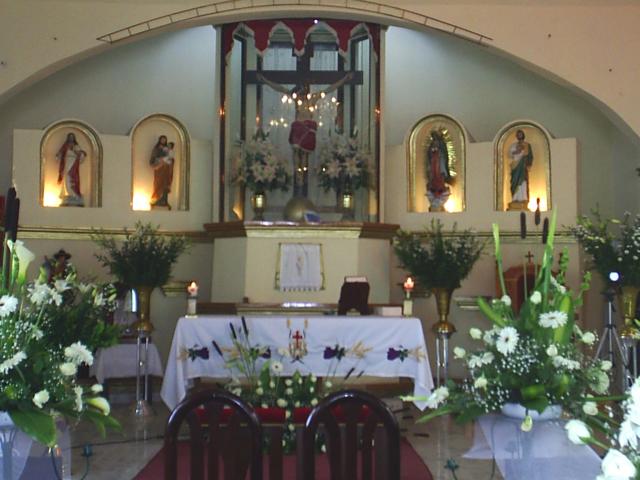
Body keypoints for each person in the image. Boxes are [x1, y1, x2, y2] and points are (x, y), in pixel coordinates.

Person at [257, 71, 354, 197]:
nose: (303, 91)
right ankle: (299, 177)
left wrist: (345, 78)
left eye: (305, 88)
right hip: (298, 127)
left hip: (308, 128)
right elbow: (279, 88)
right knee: (297, 156)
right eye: (301, 88)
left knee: (305, 158)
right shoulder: (296, 97)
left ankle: (303, 178)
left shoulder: (313, 98)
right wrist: (265, 80)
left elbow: (330, 89)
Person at [56, 132, 86, 206]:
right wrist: (58, 155)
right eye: (70, 137)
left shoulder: (76, 146)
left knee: (74, 177)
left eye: (72, 137)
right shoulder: (65, 146)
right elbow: (60, 153)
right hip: (67, 162)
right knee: (66, 177)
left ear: (74, 138)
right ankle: (69, 193)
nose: (71, 138)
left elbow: (80, 154)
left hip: (74, 163)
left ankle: (75, 194)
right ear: (68, 138)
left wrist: (80, 153)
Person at [425, 129, 452, 211]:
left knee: (439, 172)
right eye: (434, 138)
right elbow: (429, 154)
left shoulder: (442, 145)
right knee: (434, 173)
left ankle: (440, 183)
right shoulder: (432, 145)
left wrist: (439, 153)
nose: (435, 140)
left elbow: (445, 155)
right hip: (433, 162)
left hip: (440, 162)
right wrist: (432, 152)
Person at [508, 129, 533, 208]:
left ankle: (523, 198)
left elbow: (530, 156)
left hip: (523, 166)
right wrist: (517, 151)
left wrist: (528, 164)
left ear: (523, 135)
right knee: (514, 182)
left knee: (523, 182)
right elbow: (511, 154)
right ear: (516, 136)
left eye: (520, 134)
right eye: (518, 134)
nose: (519, 136)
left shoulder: (527, 145)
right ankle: (515, 198)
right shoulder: (513, 145)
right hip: (515, 166)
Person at [150, 135, 174, 209]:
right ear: (159, 140)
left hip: (166, 169)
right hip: (159, 168)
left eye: (164, 140)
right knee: (158, 182)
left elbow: (170, 158)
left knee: (165, 183)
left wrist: (171, 161)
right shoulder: (156, 148)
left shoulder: (167, 149)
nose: (163, 141)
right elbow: (153, 158)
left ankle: (164, 200)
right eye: (162, 139)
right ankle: (156, 199)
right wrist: (160, 160)